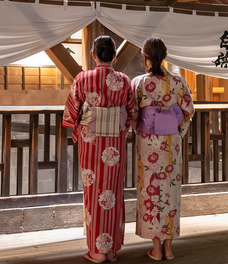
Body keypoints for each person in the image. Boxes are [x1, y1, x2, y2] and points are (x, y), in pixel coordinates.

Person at [62, 35, 137, 263]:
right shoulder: (124, 80)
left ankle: (97, 251)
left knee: (94, 195)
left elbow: (71, 113)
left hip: (91, 145)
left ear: (94, 55)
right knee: (112, 194)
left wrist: (77, 127)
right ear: (114, 55)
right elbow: (131, 114)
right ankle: (111, 249)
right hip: (114, 145)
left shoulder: (82, 79)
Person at [132, 37, 195, 261]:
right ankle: (168, 249)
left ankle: (156, 248)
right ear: (164, 56)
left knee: (150, 191)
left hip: (148, 143)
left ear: (146, 58)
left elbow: (132, 114)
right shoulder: (178, 81)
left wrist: (138, 130)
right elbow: (189, 110)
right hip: (170, 143)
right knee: (170, 191)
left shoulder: (139, 82)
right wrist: (179, 132)